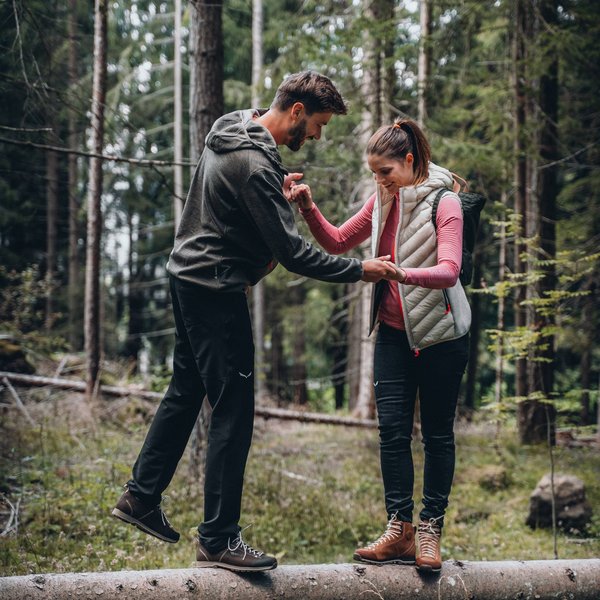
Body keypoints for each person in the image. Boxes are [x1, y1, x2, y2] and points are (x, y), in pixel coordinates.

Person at [111, 71, 397, 572]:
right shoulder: (255, 166)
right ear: (296, 111)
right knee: (233, 411)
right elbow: (293, 255)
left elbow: (234, 211)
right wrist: (360, 269)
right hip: (216, 290)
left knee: (185, 391)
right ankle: (219, 538)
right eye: (317, 126)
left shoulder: (233, 126)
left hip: (187, 275)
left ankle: (140, 497)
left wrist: (273, 200)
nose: (315, 137)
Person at [289, 118, 470, 572]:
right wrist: (309, 207)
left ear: (409, 161)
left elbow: (449, 270)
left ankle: (430, 530)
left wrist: (399, 273)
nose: (379, 181)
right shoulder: (382, 201)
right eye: (373, 173)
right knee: (391, 432)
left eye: (385, 171)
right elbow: (336, 240)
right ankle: (399, 530)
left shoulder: (445, 202)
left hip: (441, 337)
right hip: (392, 336)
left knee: (437, 434)